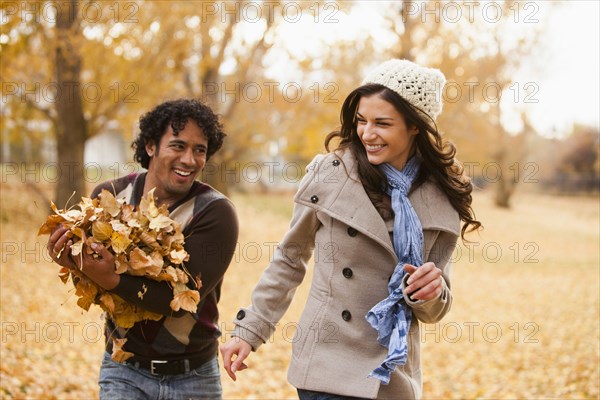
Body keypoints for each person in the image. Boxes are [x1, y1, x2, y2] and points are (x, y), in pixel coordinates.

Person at [220, 59, 481, 399]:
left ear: (415, 126)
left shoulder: (441, 196)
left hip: (392, 373)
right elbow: (290, 259)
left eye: (382, 123)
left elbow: (436, 305)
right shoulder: (331, 174)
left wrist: (430, 292)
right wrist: (249, 330)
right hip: (327, 364)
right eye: (361, 120)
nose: (367, 134)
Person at [47, 98, 239, 400]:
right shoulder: (110, 196)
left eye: (199, 149)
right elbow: (94, 284)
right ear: (150, 146)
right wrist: (72, 262)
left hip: (193, 378)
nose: (189, 160)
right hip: (124, 371)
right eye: (178, 146)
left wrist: (111, 278)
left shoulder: (215, 213)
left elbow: (179, 299)